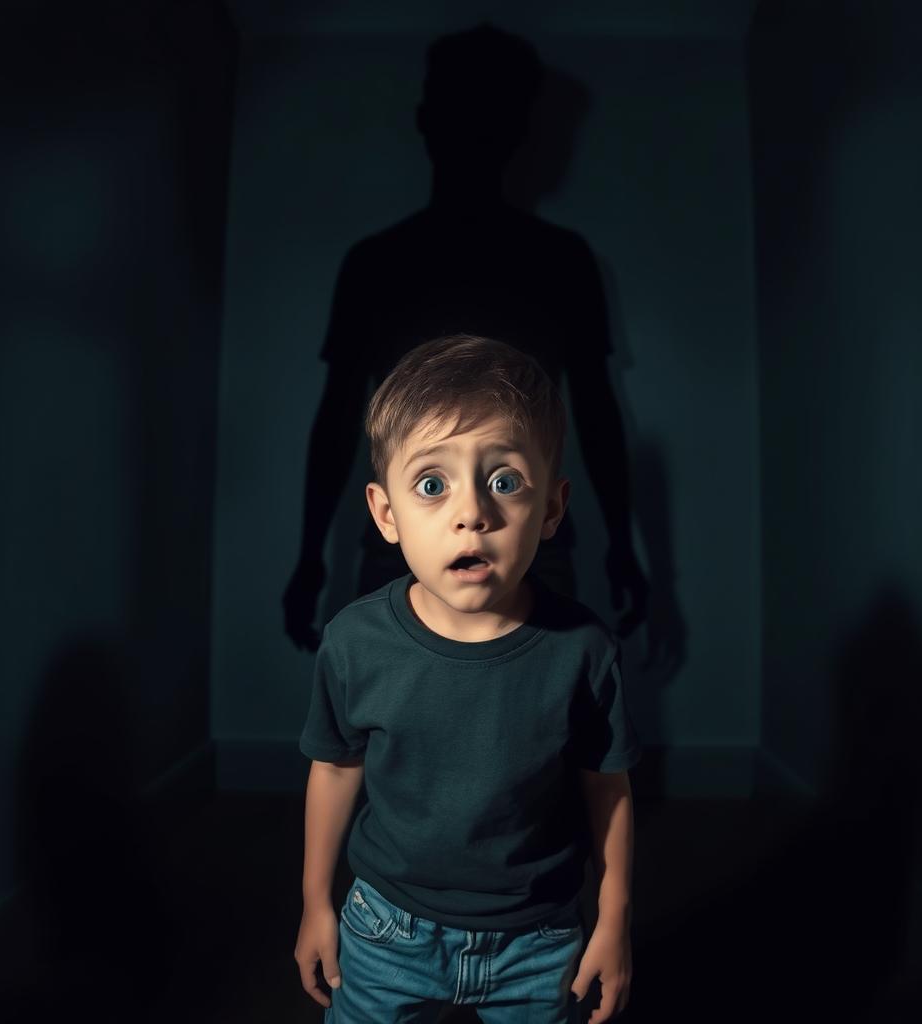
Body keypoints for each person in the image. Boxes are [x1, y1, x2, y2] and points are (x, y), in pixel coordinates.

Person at [294, 335, 639, 1023]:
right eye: (432, 484)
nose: (472, 511)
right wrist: (314, 904)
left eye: (505, 480)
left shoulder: (583, 652)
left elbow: (609, 789)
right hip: (387, 926)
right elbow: (334, 771)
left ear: (550, 510)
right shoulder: (355, 644)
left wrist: (614, 921)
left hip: (539, 938)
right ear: (386, 513)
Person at [282, 23, 650, 654]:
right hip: (407, 549)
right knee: (396, 727)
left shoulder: (561, 261)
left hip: (529, 546)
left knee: (536, 730)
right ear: (428, 119)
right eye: (466, 109)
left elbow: (595, 408)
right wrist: (309, 554)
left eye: (493, 112)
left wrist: (624, 542)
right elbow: (339, 416)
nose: (477, 133)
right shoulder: (376, 264)